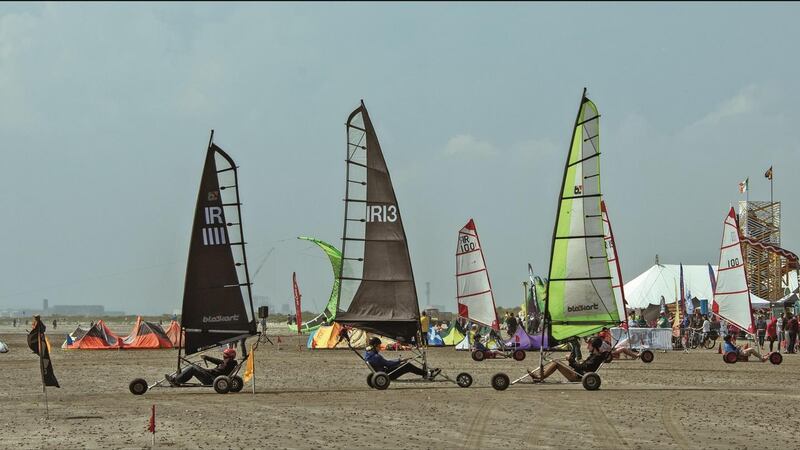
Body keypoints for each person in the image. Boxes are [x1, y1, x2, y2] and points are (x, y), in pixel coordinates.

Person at [526, 337, 606, 382]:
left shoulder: (596, 357)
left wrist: (571, 360)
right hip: (578, 373)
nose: (588, 347)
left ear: (594, 346)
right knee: (556, 362)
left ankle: (539, 378)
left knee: (556, 363)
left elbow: (583, 367)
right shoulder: (595, 355)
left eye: (589, 345)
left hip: (578, 377)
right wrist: (572, 362)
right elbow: (583, 366)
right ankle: (540, 376)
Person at [364, 337, 439, 380]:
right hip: (388, 374)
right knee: (407, 365)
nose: (380, 348)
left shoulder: (368, 354)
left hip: (383, 371)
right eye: (379, 347)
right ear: (375, 346)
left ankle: (425, 373)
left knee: (404, 364)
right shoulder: (376, 357)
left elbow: (386, 363)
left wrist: (399, 361)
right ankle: (428, 374)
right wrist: (400, 360)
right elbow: (388, 364)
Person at [166, 347, 238, 385]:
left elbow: (216, 372)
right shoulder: (231, 362)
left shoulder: (228, 363)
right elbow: (217, 361)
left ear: (227, 356)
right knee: (195, 367)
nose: (223, 356)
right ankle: (179, 378)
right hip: (212, 377)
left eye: (224, 355)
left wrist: (204, 370)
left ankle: (176, 381)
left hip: (211, 379)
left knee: (192, 368)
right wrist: (206, 357)